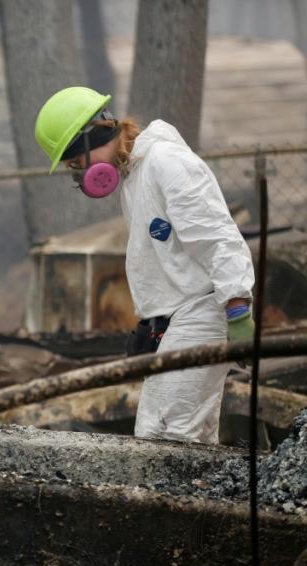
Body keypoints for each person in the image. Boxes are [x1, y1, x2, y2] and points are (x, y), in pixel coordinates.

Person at [34, 86, 255, 444]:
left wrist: (238, 310)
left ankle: (175, 499)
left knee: (168, 435)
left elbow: (217, 237)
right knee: (179, 434)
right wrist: (152, 323)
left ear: (93, 138)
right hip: (179, 317)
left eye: (76, 166)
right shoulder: (134, 176)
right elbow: (164, 259)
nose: (79, 178)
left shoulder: (167, 163)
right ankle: (207, 498)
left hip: (202, 310)